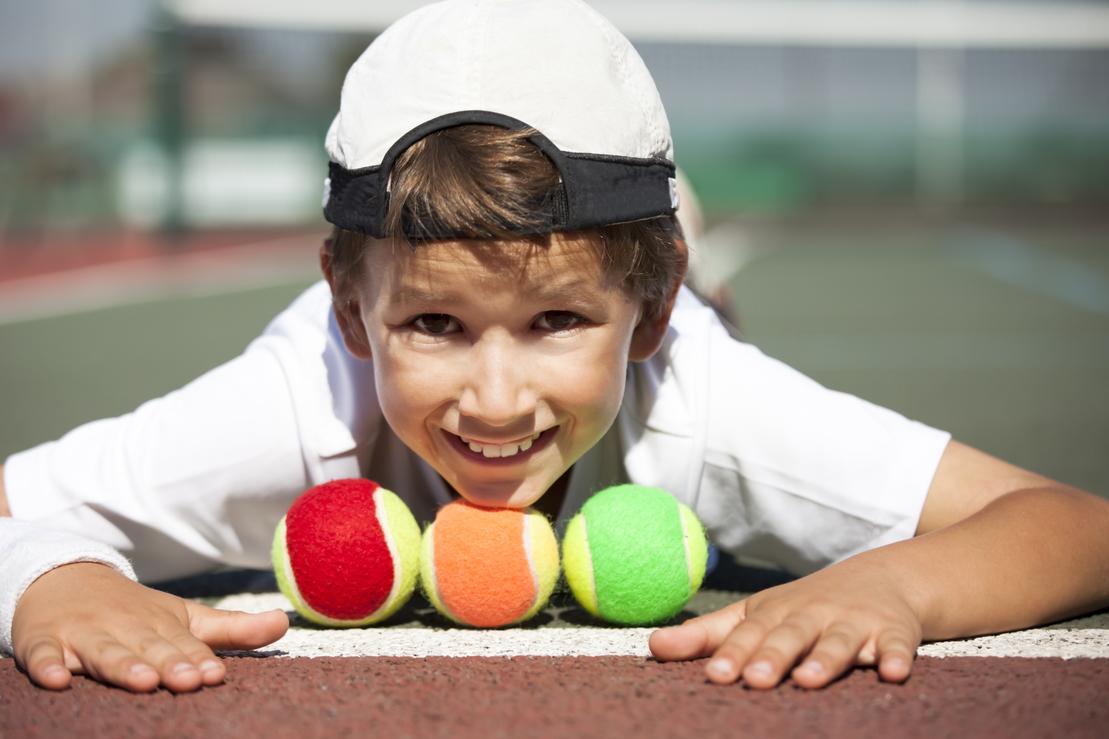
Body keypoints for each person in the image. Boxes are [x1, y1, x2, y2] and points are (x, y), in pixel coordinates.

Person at [2, 0, 1107, 695]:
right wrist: (44, 581)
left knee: (687, 307)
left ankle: (687, 268)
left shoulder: (704, 401)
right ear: (347, 310)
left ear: (649, 319)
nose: (493, 399)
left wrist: (901, 588)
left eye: (555, 322)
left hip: (682, 304)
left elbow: (1074, 525)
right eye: (431, 323)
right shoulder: (291, 402)